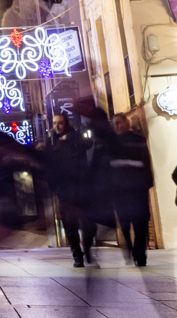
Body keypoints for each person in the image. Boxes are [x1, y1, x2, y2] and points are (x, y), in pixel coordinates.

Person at [44, 113, 97, 267]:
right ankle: (77, 257)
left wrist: (71, 139)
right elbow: (48, 166)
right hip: (65, 190)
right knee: (70, 225)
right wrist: (54, 187)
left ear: (66, 123)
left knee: (89, 223)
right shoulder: (52, 141)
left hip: (82, 187)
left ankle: (86, 249)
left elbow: (88, 143)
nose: (57, 126)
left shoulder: (75, 137)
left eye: (60, 123)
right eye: (55, 123)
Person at [106, 113, 153, 267]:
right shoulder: (110, 144)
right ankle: (130, 247)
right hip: (120, 190)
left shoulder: (139, 141)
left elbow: (146, 162)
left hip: (137, 188)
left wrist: (148, 182)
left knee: (141, 222)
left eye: (119, 122)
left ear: (127, 123)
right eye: (115, 123)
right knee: (125, 222)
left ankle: (140, 255)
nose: (117, 126)